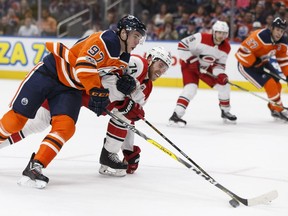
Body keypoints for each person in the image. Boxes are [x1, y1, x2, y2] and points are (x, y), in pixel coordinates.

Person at [0, 14, 146, 189]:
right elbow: (84, 65)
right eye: (135, 35)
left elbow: (106, 75)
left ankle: (36, 166)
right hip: (50, 73)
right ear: (123, 33)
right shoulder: (106, 39)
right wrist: (96, 91)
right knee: (17, 120)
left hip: (70, 89)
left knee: (66, 127)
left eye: (140, 37)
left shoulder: (124, 56)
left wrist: (123, 87)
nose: (138, 41)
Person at [1, 46, 172, 178]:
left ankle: (109, 156)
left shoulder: (147, 88)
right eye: (160, 64)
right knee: (38, 122)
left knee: (125, 115)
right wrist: (121, 98)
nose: (161, 71)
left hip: (93, 99)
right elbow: (108, 74)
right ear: (150, 58)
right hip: (76, 88)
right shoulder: (138, 63)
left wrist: (128, 150)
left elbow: (129, 117)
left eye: (165, 68)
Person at [168, 20, 237, 127]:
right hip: (190, 66)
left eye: (224, 33)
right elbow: (182, 44)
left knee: (224, 85)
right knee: (191, 89)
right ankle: (176, 115)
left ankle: (225, 111)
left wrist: (220, 75)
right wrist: (191, 60)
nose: (221, 36)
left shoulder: (226, 47)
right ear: (214, 32)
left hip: (205, 68)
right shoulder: (200, 37)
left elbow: (219, 65)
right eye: (219, 32)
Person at [235, 17, 288, 121]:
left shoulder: (282, 42)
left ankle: (274, 108)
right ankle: (280, 109)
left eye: (282, 31)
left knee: (278, 84)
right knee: (270, 83)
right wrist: (253, 62)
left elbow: (283, 61)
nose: (279, 33)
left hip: (262, 62)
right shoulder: (260, 36)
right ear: (271, 28)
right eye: (277, 29)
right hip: (246, 65)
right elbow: (241, 52)